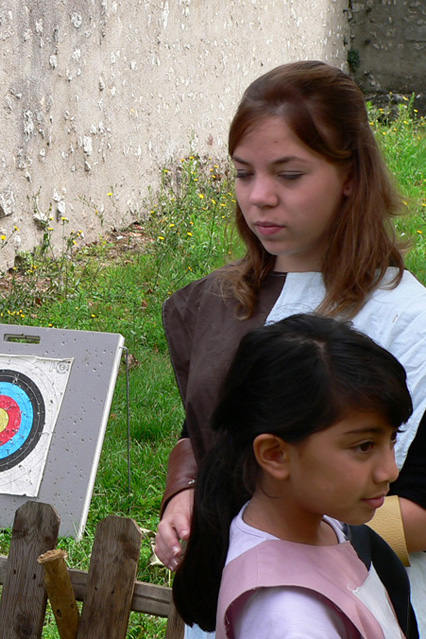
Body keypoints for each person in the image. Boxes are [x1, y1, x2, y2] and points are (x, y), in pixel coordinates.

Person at [154, 60, 426, 632]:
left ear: (349, 174)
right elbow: (211, 431)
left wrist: (269, 536)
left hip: (339, 604)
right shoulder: (223, 300)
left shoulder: (408, 319)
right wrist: (186, 495)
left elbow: (419, 509)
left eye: (289, 174)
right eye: (243, 173)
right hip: (235, 594)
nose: (259, 198)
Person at [172, 314, 416, 638]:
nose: (391, 470)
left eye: (392, 440)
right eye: (364, 446)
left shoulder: (324, 526)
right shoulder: (289, 617)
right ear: (275, 454)